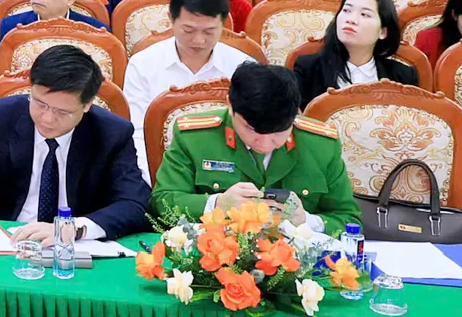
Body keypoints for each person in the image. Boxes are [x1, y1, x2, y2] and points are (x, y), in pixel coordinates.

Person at [0, 45, 150, 240]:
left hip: (73, 249)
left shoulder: (112, 133)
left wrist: (74, 228)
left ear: (87, 105)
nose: (47, 118)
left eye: (62, 112)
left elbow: (134, 205)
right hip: (3, 240)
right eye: (40, 103)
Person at [151, 61, 358, 233]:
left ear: (296, 114)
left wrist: (307, 221)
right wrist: (217, 205)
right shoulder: (195, 137)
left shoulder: (321, 144)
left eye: (279, 132)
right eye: (252, 130)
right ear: (230, 106)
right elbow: (161, 203)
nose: (265, 144)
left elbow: (348, 219)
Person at [121, 0, 252, 175]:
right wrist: (156, 179)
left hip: (229, 171)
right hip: (161, 168)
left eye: (209, 31)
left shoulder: (243, 66)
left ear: (224, 23)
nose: (198, 41)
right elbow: (138, 133)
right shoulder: (143, 65)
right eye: (188, 30)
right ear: (171, 19)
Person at [292, 0, 417, 103]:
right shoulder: (308, 68)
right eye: (346, 10)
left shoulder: (403, 75)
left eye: (364, 14)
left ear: (383, 32)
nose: (351, 20)